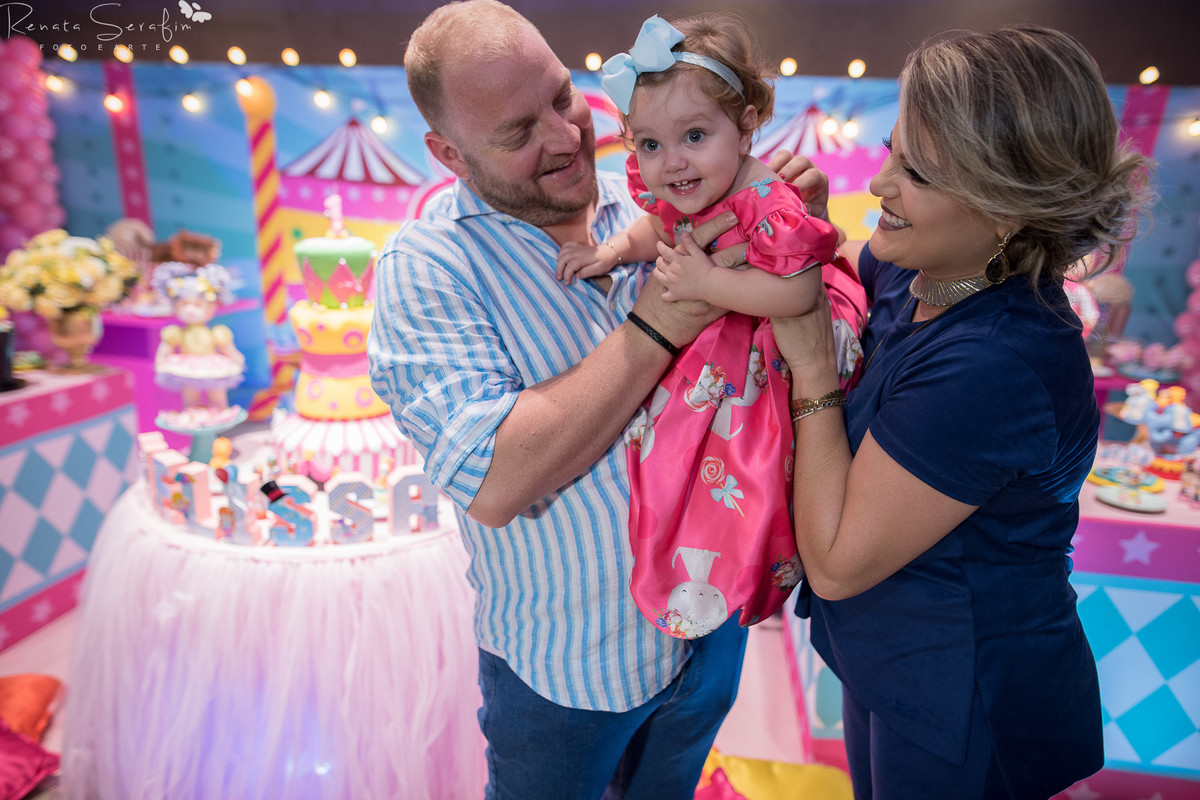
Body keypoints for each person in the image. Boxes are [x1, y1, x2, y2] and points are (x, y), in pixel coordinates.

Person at [367, 2, 824, 797]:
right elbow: (495, 478)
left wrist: (786, 225)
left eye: (561, 96)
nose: (565, 136)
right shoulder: (428, 268)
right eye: (518, 131)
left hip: (708, 619)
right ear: (449, 154)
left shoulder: (655, 196)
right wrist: (662, 320)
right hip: (569, 671)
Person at [725, 25, 1150, 799]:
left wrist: (812, 370)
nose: (879, 184)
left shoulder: (997, 362)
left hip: (967, 695)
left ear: (1007, 207)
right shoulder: (914, 270)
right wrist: (808, 236)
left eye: (916, 172)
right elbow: (855, 309)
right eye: (893, 151)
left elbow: (839, 563)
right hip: (891, 664)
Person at [553, 13, 866, 642]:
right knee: (675, 445)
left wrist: (704, 284)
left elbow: (798, 290)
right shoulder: (690, 184)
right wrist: (612, 251)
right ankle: (683, 562)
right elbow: (659, 225)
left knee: (752, 459)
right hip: (731, 330)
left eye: (694, 135)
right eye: (649, 145)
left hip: (782, 338)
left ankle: (752, 561)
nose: (672, 163)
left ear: (746, 126)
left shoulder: (767, 198)